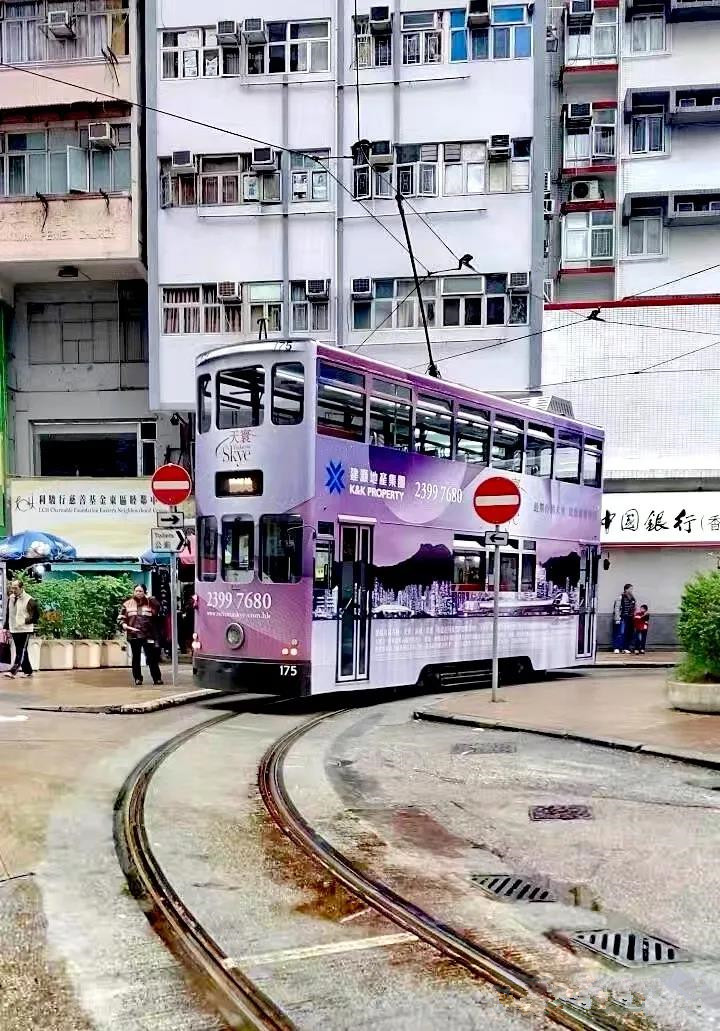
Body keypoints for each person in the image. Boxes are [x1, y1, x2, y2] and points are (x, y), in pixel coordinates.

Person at [118, 584, 163, 686]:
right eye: (137, 591)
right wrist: (124, 624)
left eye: (141, 591)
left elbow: (157, 611)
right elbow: (121, 617)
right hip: (134, 635)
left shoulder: (150, 603)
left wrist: (151, 599)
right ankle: (137, 678)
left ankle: (157, 678)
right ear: (133, 592)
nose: (138, 593)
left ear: (145, 592)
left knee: (151, 658)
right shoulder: (127, 604)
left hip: (148, 635)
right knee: (136, 658)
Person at [3, 580, 40, 679]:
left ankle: (13, 671)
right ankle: (28, 671)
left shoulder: (29, 599)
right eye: (12, 587)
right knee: (23, 651)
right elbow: (9, 614)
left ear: (21, 588)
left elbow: (36, 616)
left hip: (25, 629)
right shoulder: (11, 598)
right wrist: (5, 628)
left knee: (21, 650)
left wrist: (25, 621)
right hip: (14, 628)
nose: (13, 590)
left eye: (15, 588)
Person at [612, 583, 636, 654]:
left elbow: (634, 607)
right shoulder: (621, 597)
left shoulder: (632, 598)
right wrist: (617, 618)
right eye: (630, 589)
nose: (632, 590)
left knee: (628, 633)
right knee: (620, 632)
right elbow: (617, 608)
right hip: (622, 617)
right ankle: (616, 647)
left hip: (630, 617)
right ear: (626, 589)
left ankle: (625, 647)